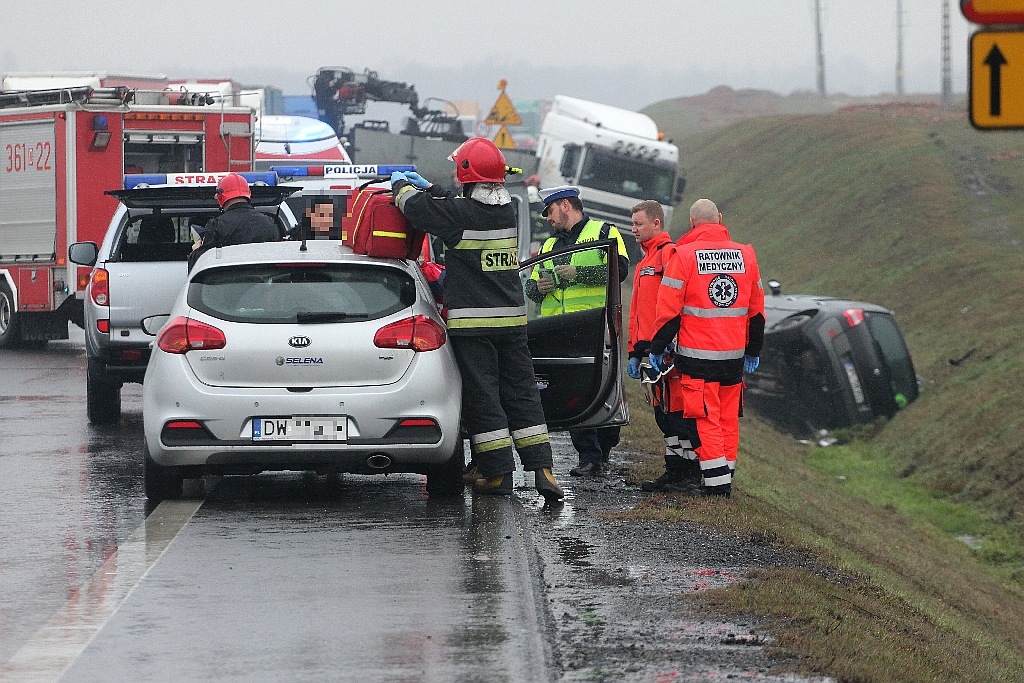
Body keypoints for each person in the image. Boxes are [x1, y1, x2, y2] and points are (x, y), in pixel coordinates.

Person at [389, 137, 564, 503]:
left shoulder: (459, 216)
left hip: (474, 325)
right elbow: (456, 205)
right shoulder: (505, 212)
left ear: (467, 176)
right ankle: (543, 469)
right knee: (522, 393)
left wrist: (402, 186)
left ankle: (497, 472)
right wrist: (436, 189)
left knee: (484, 396)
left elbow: (417, 208)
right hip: (513, 322)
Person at [646, 198, 765, 498]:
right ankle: (726, 475)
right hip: (734, 359)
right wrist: (754, 349)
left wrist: (657, 348)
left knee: (707, 420)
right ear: (720, 219)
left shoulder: (683, 256)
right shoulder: (746, 256)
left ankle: (716, 486)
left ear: (693, 223)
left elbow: (669, 312)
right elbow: (757, 311)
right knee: (727, 419)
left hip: (697, 358)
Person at [525, 185, 630, 478]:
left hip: (595, 327)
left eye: (550, 211)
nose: (547, 218)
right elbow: (530, 287)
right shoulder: (548, 246)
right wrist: (537, 287)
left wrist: (580, 274)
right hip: (557, 331)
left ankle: (604, 447)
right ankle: (589, 457)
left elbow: (620, 271)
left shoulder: (603, 232)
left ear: (565, 205)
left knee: (603, 388)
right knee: (573, 393)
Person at [625, 200, 704, 493]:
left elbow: (676, 306)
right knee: (664, 415)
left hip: (668, 351)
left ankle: (690, 474)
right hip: (650, 351)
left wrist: (666, 346)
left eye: (638, 224)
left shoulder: (669, 255)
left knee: (679, 414)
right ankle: (675, 471)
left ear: (656, 224)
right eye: (632, 224)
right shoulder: (645, 261)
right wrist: (635, 351)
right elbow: (638, 312)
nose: (633, 229)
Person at [189, 173, 280, 270]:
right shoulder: (269, 223)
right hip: (263, 283)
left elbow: (199, 267)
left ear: (220, 196)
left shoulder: (217, 225)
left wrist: (196, 252)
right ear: (248, 194)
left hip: (227, 283)